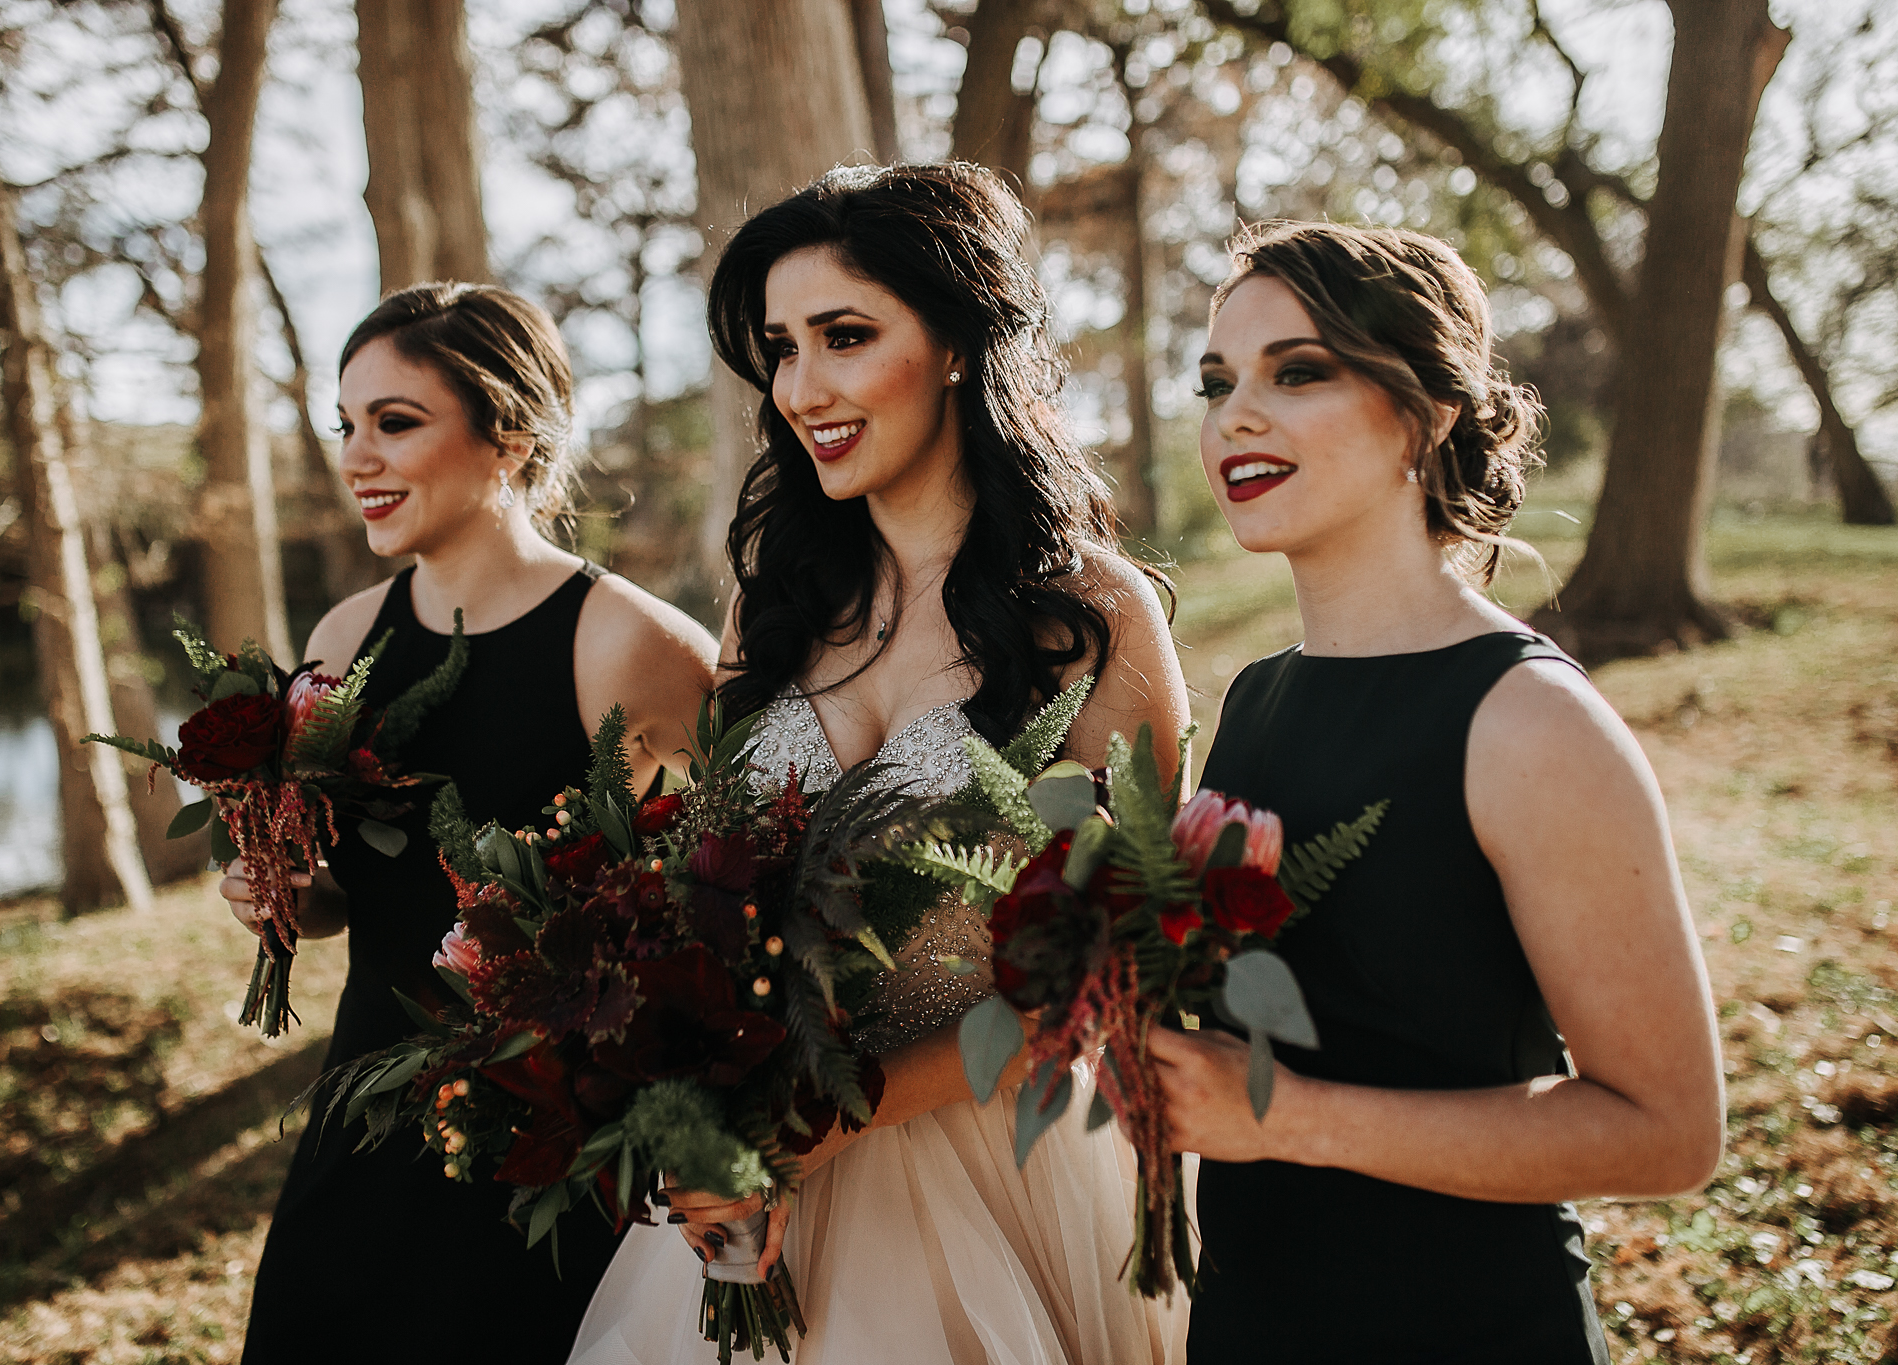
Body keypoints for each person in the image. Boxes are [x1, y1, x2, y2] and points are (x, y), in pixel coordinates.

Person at [569, 163, 1194, 1365]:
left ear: (958, 342)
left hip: (995, 1169)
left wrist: (830, 1116)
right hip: (755, 1181)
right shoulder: (777, 612)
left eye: (844, 337)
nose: (803, 387)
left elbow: (1126, 958)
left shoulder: (1091, 617)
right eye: (780, 349)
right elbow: (720, 898)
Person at [1148, 221, 1725, 1363]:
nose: (1234, 418)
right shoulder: (1254, 700)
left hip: (1458, 1327)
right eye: (1217, 382)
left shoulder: (1529, 724)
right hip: (1253, 1317)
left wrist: (1285, 1122)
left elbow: (1666, 1134)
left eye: (1296, 371)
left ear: (1429, 410)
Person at [221, 283, 718, 1363]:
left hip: (550, 1147)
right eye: (344, 426)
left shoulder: (628, 646)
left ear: (511, 435)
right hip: (363, 1121)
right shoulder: (346, 633)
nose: (357, 458)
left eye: (395, 423)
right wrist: (287, 893)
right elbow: (348, 899)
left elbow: (706, 933)